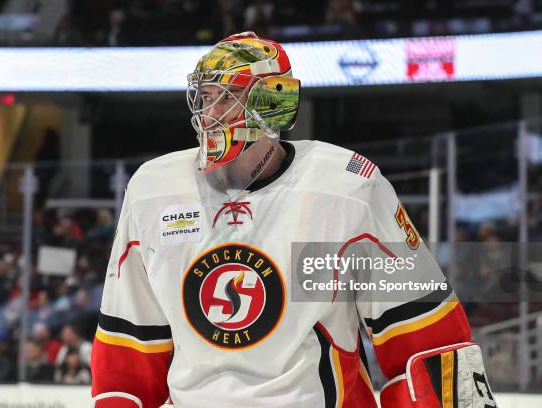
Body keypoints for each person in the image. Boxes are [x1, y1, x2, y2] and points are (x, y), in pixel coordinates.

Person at [91, 32, 497, 407]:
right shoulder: (153, 190)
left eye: (229, 96)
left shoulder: (346, 190)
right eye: (205, 96)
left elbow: (426, 342)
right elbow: (127, 349)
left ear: (274, 103)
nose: (211, 112)